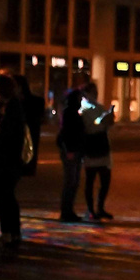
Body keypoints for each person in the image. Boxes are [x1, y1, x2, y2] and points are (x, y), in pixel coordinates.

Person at [0, 73, 27, 248]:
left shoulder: (12, 109)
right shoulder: (9, 106)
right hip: (8, 160)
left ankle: (8, 233)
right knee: (8, 197)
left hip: (5, 161)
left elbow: (6, 136)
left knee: (3, 197)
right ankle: (14, 232)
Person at [79, 82, 114, 221]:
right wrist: (101, 120)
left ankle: (100, 208)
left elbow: (107, 125)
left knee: (105, 180)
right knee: (90, 180)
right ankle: (91, 209)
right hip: (91, 146)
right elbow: (89, 127)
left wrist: (109, 118)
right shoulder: (83, 110)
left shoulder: (99, 107)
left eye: (96, 92)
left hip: (103, 145)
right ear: (86, 94)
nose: (95, 95)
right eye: (93, 92)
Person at [55, 83, 85, 221]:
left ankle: (69, 210)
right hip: (71, 151)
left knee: (74, 182)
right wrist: (68, 150)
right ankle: (66, 211)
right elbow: (66, 134)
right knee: (70, 182)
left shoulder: (72, 113)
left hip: (75, 150)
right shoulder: (70, 113)